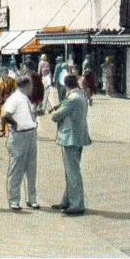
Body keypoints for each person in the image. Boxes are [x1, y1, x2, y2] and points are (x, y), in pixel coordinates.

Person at [50, 74, 91, 216]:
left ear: (66, 85)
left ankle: (77, 204)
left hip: (70, 138)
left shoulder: (72, 99)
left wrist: (55, 110)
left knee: (72, 172)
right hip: (79, 137)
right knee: (71, 170)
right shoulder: (81, 95)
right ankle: (67, 200)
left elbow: (56, 116)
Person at [2, 76, 40, 211]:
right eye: (30, 86)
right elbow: (6, 115)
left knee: (31, 168)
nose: (32, 88)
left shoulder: (25, 99)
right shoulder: (14, 98)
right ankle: (14, 200)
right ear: (26, 85)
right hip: (20, 135)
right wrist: (16, 125)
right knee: (17, 169)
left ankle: (32, 199)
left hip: (31, 133)